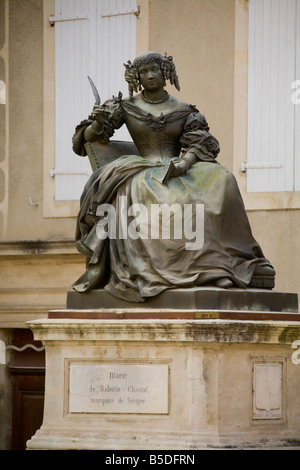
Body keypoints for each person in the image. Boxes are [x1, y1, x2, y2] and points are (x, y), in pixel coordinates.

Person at [72, 51, 275, 302]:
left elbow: (199, 143)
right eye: (144, 72)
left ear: (165, 72)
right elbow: (90, 138)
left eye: (154, 69)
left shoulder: (183, 108)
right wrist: (97, 123)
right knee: (158, 192)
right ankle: (169, 267)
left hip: (179, 164)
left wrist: (185, 162)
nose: (150, 75)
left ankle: (235, 260)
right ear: (136, 77)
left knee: (223, 178)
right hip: (141, 168)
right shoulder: (125, 106)